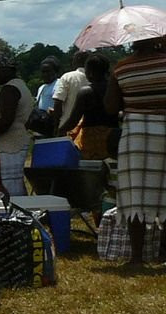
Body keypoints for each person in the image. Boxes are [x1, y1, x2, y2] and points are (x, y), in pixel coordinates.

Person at [104, 35, 166, 266]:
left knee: (135, 195)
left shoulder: (122, 67)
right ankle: (163, 253)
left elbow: (110, 107)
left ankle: (137, 257)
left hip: (136, 135)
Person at [0, 57, 34, 196]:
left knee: (9, 188)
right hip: (15, 141)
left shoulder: (10, 89)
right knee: (15, 184)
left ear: (5, 70)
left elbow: (6, 120)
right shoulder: (20, 85)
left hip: (8, 144)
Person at [60, 55, 117, 160]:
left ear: (89, 72)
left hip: (92, 140)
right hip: (113, 137)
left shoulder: (85, 92)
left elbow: (73, 120)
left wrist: (60, 130)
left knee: (92, 170)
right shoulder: (115, 89)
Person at [52, 53, 89, 132]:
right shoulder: (96, 78)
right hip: (89, 128)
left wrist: (56, 126)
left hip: (68, 127)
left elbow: (58, 101)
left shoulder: (67, 77)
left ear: (74, 62)